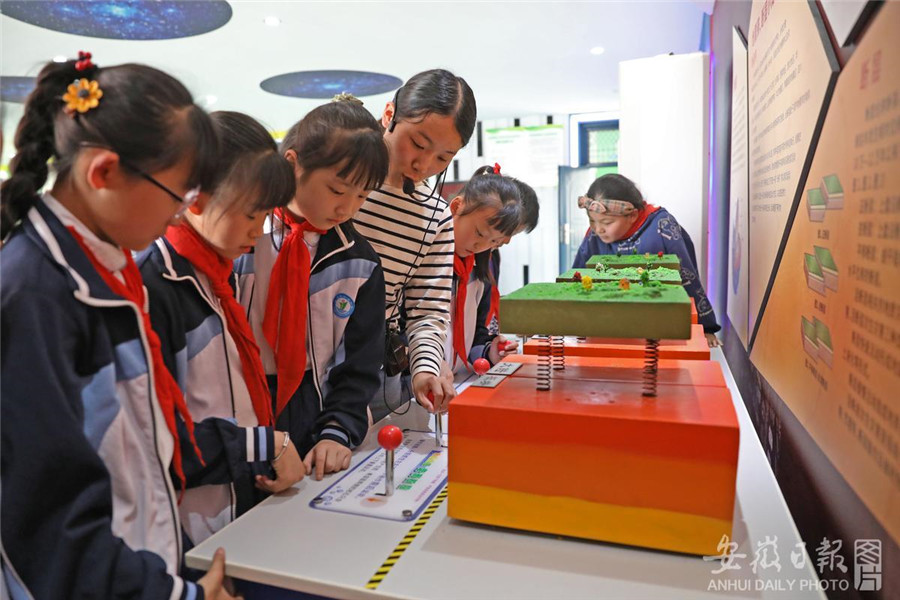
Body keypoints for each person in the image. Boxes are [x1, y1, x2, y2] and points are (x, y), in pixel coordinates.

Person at [1, 57, 236, 598]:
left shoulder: (105, 271)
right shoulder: (34, 294)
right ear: (103, 172)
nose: (179, 215)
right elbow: (48, 525)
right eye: (178, 195)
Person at [138, 111, 305, 548]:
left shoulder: (216, 273)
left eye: (266, 215)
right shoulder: (155, 285)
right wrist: (261, 445)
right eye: (251, 214)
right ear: (196, 198)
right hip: (185, 532)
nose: (259, 230)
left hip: (233, 512)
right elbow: (153, 440)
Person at [236, 95, 389, 480]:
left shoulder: (360, 263)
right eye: (337, 190)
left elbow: (361, 364)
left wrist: (338, 430)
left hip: (317, 408)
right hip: (242, 404)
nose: (347, 209)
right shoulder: (241, 240)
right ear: (293, 165)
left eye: (362, 195)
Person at [353, 69, 477, 419]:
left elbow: (428, 310)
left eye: (443, 157)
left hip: (377, 372)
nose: (423, 164)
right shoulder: (343, 182)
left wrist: (425, 368)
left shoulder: (436, 217)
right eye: (418, 144)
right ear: (389, 114)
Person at [571, 173, 721, 345]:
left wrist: (704, 327)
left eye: (607, 223)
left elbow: (688, 278)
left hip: (661, 323)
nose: (598, 229)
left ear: (632, 216)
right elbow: (577, 278)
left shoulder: (662, 227)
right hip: (608, 325)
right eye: (592, 221)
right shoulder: (593, 236)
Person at [445, 166, 540, 380]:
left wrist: (489, 351)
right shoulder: (430, 258)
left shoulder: (480, 262)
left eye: (495, 239)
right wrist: (427, 364)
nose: (505, 241)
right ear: (457, 207)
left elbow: (475, 331)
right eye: (480, 233)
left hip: (455, 378)